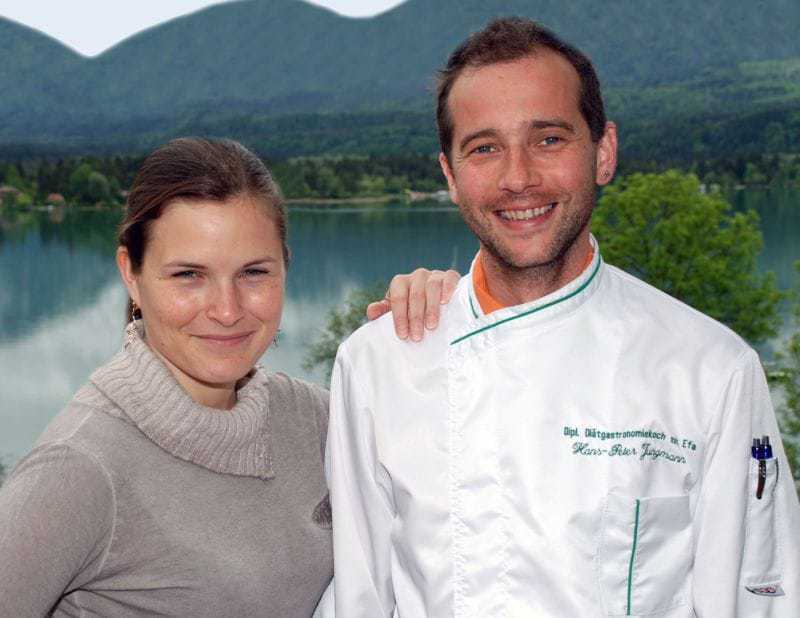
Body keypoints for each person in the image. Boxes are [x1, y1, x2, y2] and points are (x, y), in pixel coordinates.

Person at [325, 17, 800, 617]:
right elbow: (359, 598)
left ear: (604, 153)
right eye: (484, 148)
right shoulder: (378, 363)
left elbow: (760, 601)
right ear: (450, 175)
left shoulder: (710, 370)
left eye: (549, 139)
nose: (518, 178)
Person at [0, 137, 457, 616]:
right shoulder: (79, 468)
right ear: (131, 274)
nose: (226, 309)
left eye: (253, 273)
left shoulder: (316, 419)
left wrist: (442, 327)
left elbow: (451, 509)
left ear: (285, 266)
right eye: (188, 275)